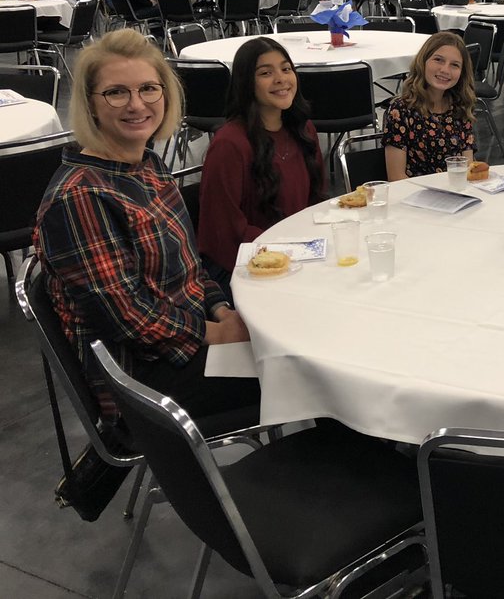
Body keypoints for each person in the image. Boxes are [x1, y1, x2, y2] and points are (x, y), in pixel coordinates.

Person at [33, 30, 259, 422]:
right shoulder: (80, 197)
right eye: (117, 92)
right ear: (90, 104)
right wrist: (214, 333)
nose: (137, 104)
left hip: (188, 338)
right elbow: (128, 317)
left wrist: (221, 310)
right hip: (144, 383)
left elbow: (190, 266)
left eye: (148, 89)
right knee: (310, 368)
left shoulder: (147, 163)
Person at [198, 38, 325, 291]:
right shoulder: (230, 144)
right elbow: (223, 232)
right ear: (247, 83)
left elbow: (316, 201)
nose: (281, 78)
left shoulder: (303, 130)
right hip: (246, 267)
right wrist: (287, 253)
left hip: (299, 256)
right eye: (266, 73)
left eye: (286, 69)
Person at [384, 32, 476, 180]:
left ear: (462, 73)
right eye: (438, 60)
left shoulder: (460, 108)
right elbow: (396, 177)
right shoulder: (401, 110)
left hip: (455, 193)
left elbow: (467, 169)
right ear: (423, 62)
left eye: (455, 65)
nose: (445, 70)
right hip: (414, 196)